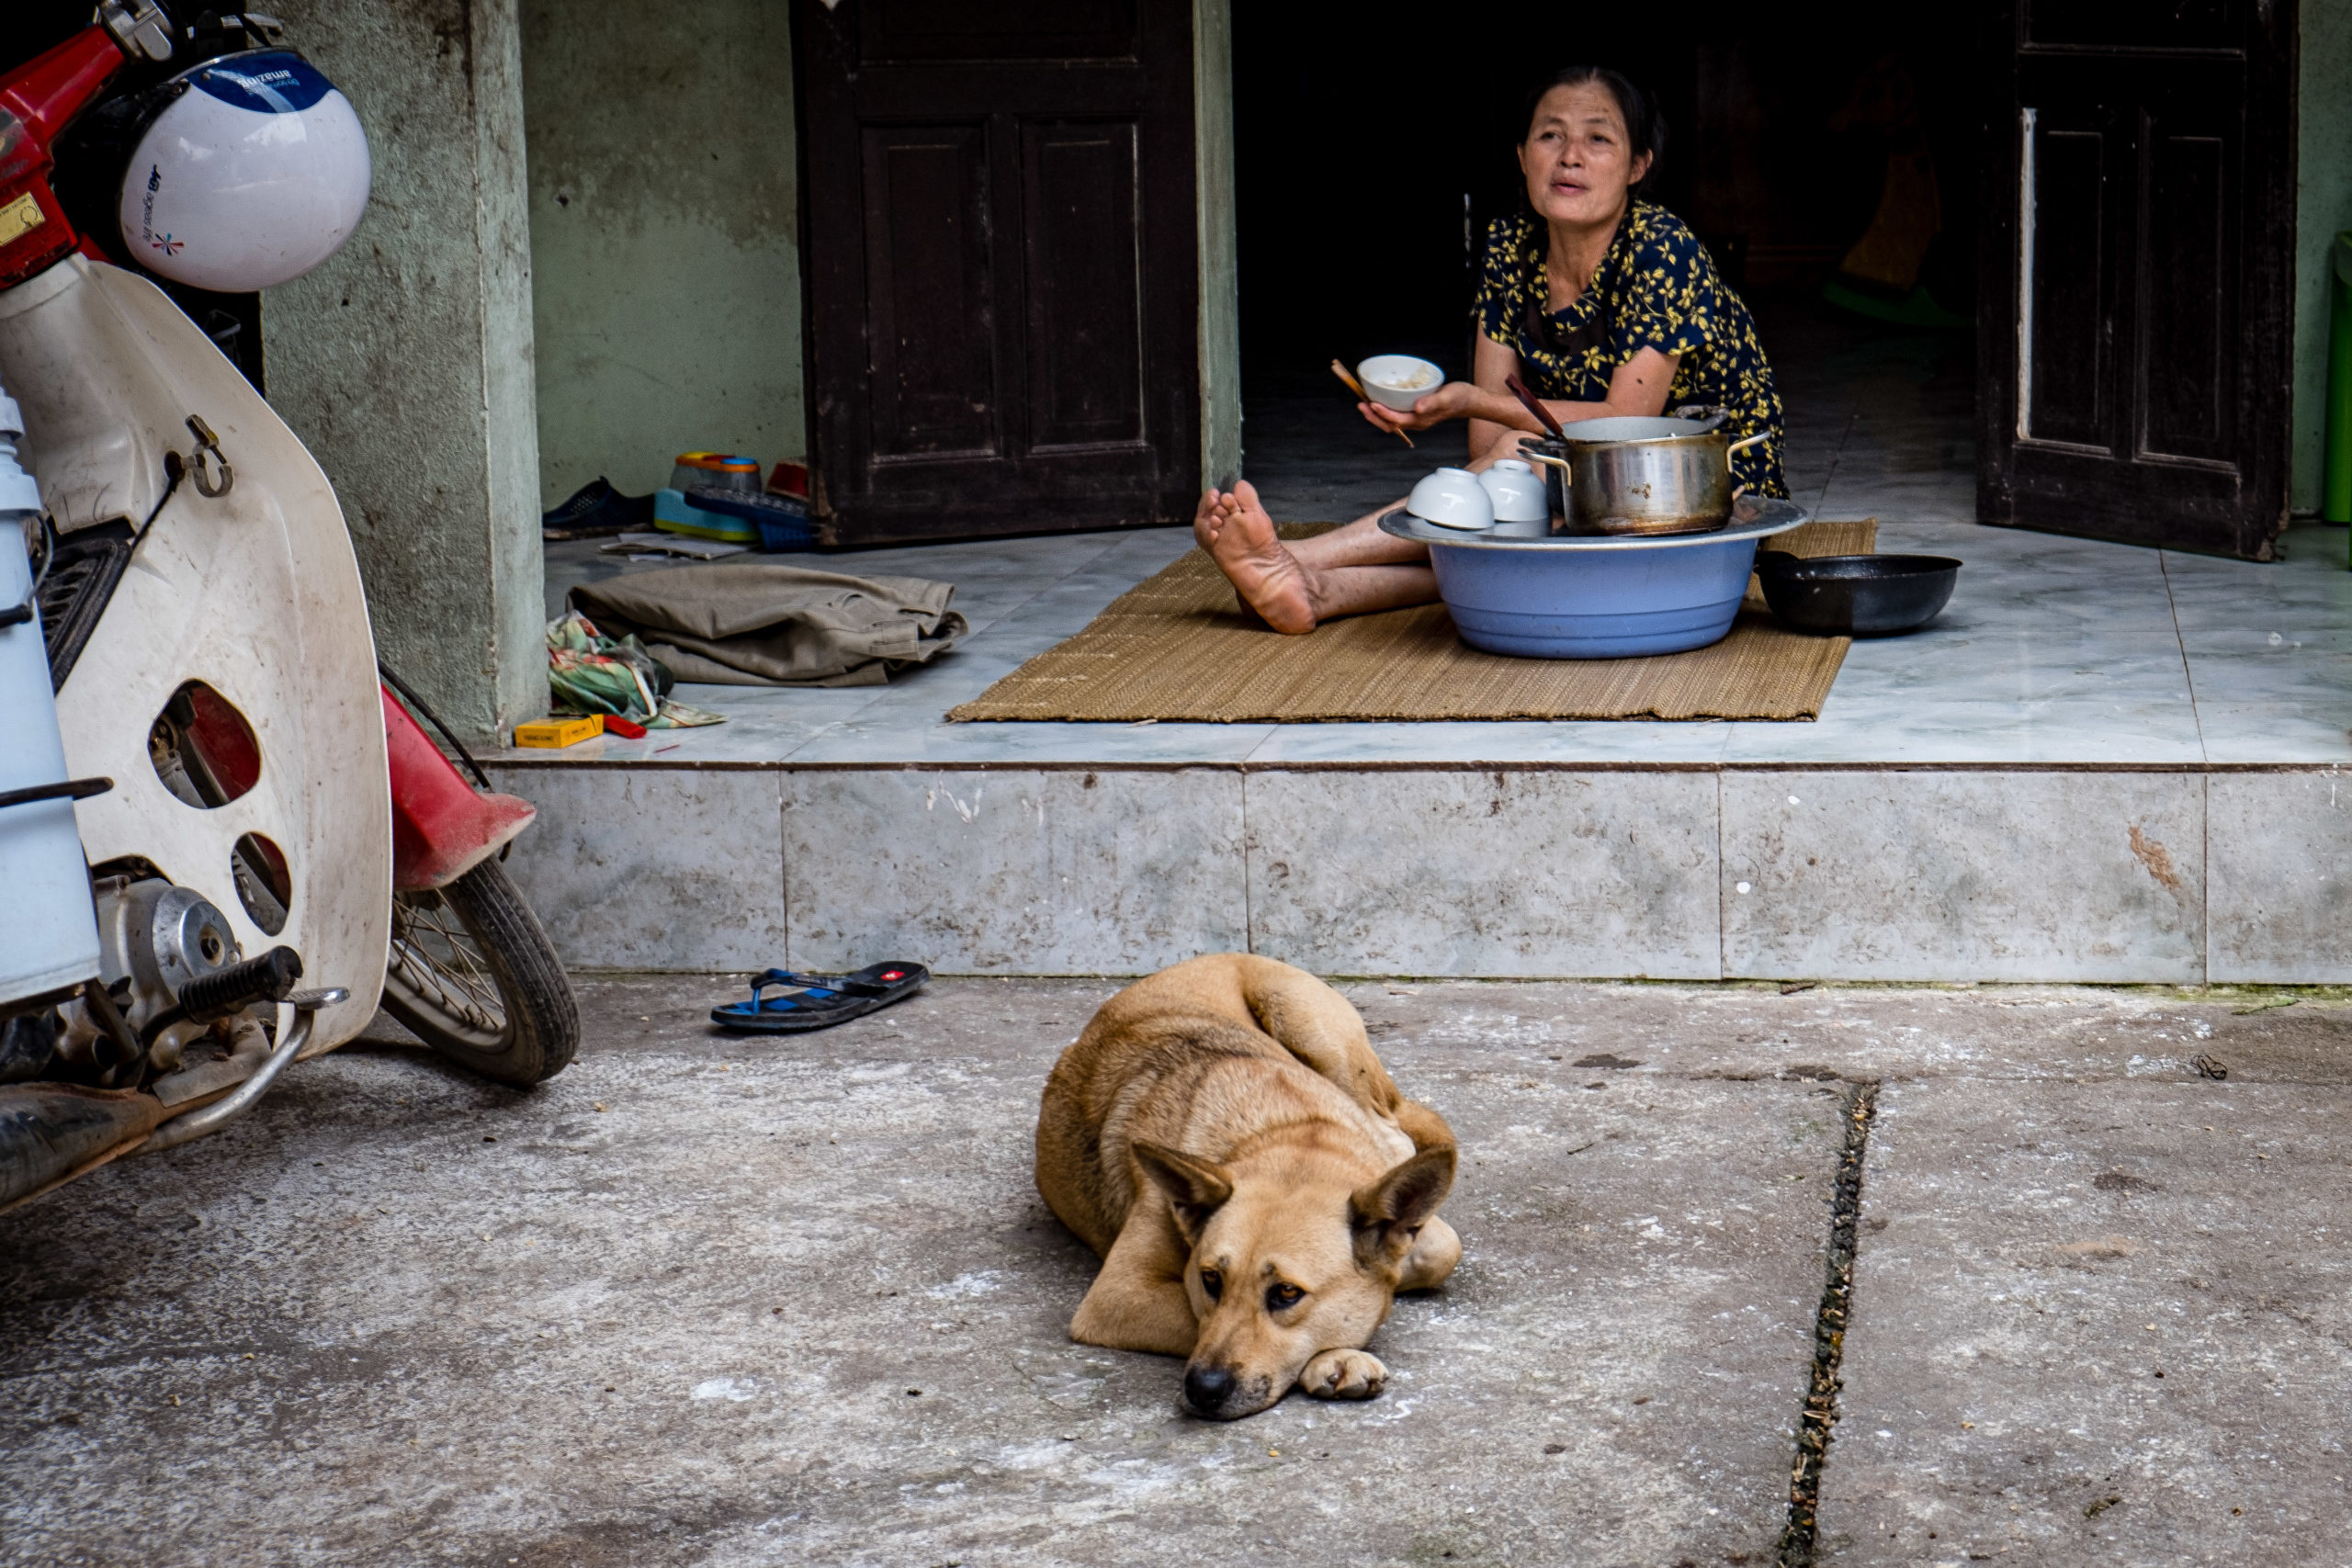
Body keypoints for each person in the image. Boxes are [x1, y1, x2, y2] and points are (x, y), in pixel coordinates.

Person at [1196, 65, 1788, 634]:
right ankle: (1313, 592)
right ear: (1521, 155)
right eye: (1550, 135)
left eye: (1598, 139)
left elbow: (1622, 424)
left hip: (1706, 481)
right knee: (1514, 501)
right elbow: (1488, 449)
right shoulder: (1511, 246)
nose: (1570, 156)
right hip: (1580, 475)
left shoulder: (1662, 248)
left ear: (1638, 165)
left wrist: (1468, 402)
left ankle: (1304, 559)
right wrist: (1465, 408)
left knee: (1530, 480)